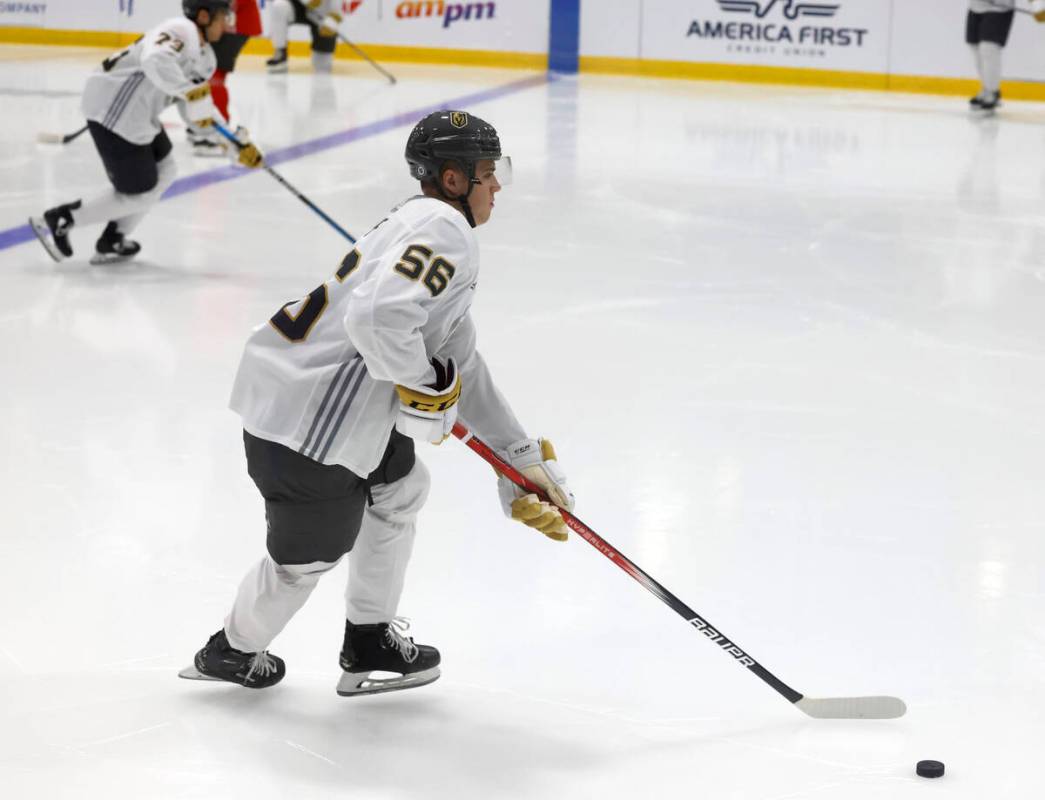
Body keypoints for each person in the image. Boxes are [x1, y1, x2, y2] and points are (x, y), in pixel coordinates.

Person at [179, 110, 575, 695]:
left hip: (310, 404)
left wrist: (517, 455)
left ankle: (368, 639)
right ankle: (230, 652)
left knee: (401, 487)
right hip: (311, 423)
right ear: (453, 180)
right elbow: (378, 317)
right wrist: (421, 380)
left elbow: (458, 356)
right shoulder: (446, 229)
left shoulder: (423, 222)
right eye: (489, 173)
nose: (497, 186)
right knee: (305, 562)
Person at [29, 0, 263, 265]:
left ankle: (113, 239)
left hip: (137, 115)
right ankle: (62, 220)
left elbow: (198, 113)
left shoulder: (206, 57)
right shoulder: (181, 29)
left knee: (166, 171)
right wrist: (187, 90)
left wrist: (233, 144)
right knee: (139, 191)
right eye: (222, 17)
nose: (226, 25)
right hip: (112, 109)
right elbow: (155, 59)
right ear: (203, 15)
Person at [188, 0, 264, 156]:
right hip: (226, 19)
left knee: (213, 77)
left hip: (232, 23)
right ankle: (212, 128)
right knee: (211, 75)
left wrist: (222, 16)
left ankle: (217, 132)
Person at [265, 0, 342, 74]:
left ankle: (322, 52)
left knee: (322, 66)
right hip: (297, 6)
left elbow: (337, 10)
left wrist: (332, 22)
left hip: (323, 14)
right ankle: (280, 52)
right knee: (279, 6)